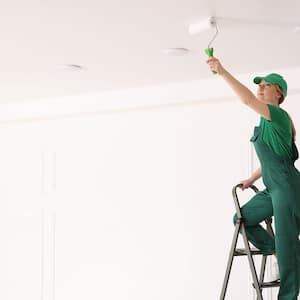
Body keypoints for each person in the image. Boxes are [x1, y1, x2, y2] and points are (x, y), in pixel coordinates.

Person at [206, 57, 300, 300]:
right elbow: (272, 159)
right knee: (241, 219)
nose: (260, 87)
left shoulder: (277, 115)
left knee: (287, 245)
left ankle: (287, 296)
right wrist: (252, 178)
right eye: (259, 84)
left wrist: (222, 71)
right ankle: (279, 250)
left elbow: (246, 99)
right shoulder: (265, 119)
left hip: (288, 188)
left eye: (266, 85)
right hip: (273, 187)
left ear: (278, 92)